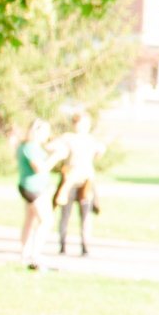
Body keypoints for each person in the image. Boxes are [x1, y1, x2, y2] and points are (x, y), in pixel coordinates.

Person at [50, 112, 104, 256]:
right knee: (65, 213)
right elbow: (54, 147)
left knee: (86, 214)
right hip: (70, 180)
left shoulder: (91, 140)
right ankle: (62, 244)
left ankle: (85, 245)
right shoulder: (68, 138)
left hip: (86, 180)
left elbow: (99, 154)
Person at [14, 119, 54, 269]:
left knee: (30, 220)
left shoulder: (28, 146)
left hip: (31, 187)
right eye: (45, 131)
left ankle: (24, 253)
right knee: (46, 220)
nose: (48, 135)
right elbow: (40, 168)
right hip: (34, 188)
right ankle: (35, 253)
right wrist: (56, 158)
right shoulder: (30, 147)